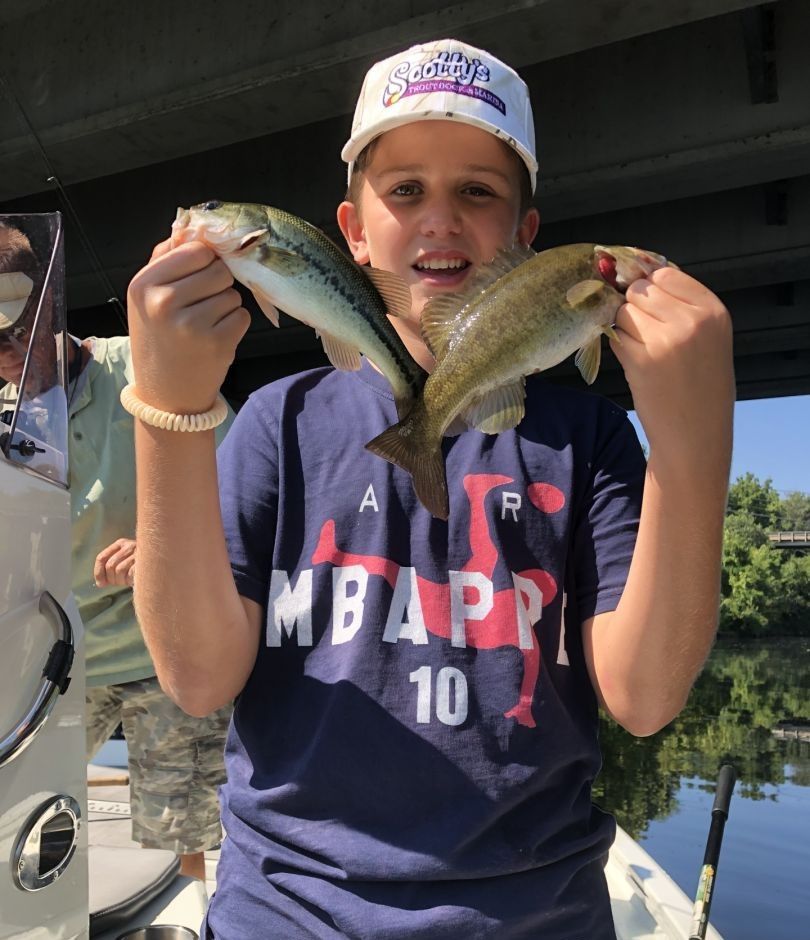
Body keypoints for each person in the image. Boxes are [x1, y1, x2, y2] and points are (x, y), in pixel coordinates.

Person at [124, 38, 734, 938]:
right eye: (404, 190)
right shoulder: (274, 423)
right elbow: (197, 679)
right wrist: (168, 407)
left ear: (529, 240)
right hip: (286, 916)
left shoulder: (593, 439)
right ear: (354, 231)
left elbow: (645, 699)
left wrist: (693, 449)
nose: (440, 219)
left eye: (478, 192)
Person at [0, 217, 234, 882]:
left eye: (18, 326)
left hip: (163, 656)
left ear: (48, 302)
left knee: (181, 838)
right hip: (50, 659)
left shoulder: (146, 366)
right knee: (19, 821)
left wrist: (166, 543)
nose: (8, 349)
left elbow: (245, 490)